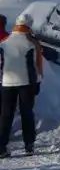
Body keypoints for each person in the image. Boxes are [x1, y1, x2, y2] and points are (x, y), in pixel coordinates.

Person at [0, 15, 43, 157]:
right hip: (27, 82)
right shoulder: (32, 43)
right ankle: (29, 145)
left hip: (7, 82)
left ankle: (1, 147)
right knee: (27, 112)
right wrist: (38, 81)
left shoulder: (4, 42)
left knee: (6, 114)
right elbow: (37, 65)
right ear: (29, 25)